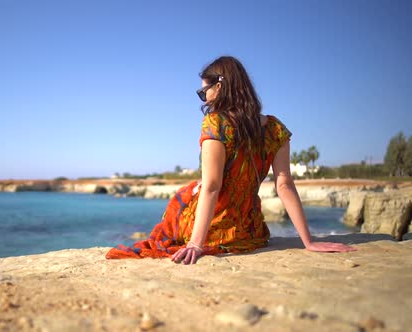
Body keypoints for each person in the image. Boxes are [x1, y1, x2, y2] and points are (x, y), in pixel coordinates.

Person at [105, 56, 356, 264]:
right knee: (197, 186)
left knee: (184, 194)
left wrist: (195, 243)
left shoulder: (216, 123)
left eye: (204, 91)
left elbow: (213, 186)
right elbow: (284, 185)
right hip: (250, 231)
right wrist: (308, 242)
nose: (205, 98)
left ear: (220, 87)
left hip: (215, 233)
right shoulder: (275, 128)